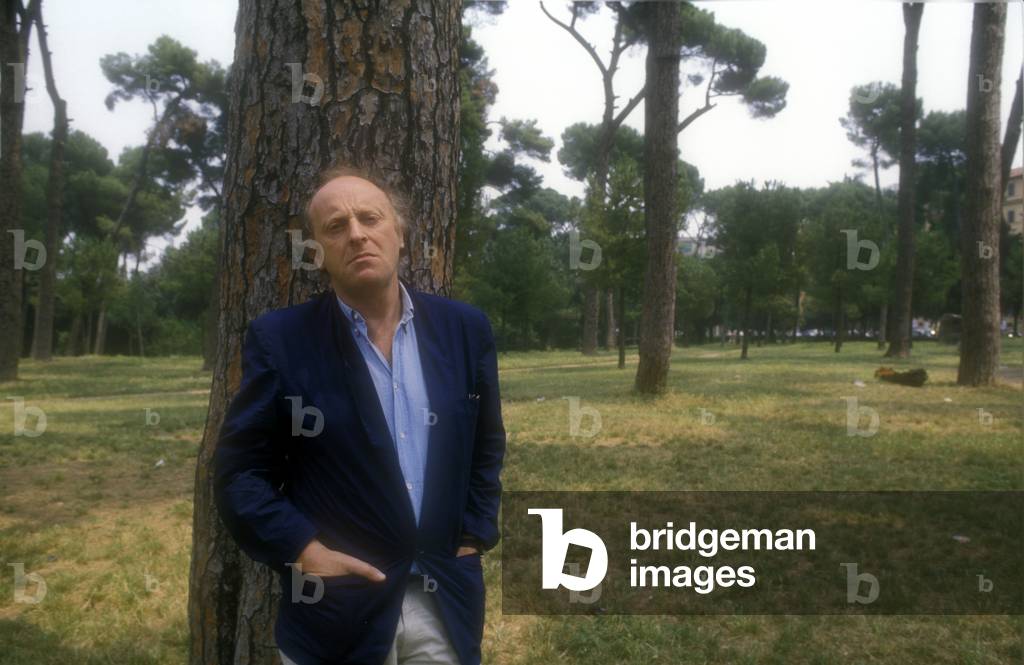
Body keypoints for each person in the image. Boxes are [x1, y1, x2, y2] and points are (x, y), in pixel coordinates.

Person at [214, 164, 505, 664]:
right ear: (318, 252)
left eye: (370, 218)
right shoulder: (282, 340)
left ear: (400, 234)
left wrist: (474, 537)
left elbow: (486, 446)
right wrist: (304, 550)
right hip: (337, 614)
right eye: (335, 226)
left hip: (445, 603)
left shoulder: (465, 330)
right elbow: (240, 473)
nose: (356, 234)